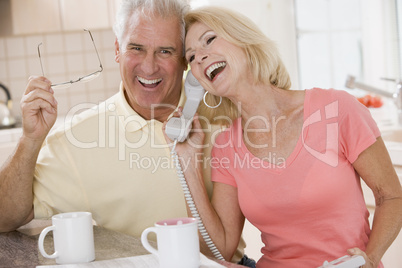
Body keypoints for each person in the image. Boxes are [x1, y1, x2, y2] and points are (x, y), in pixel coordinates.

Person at [0, 0, 251, 264]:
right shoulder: (77, 138)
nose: (149, 66)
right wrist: (30, 140)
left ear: (183, 60)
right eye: (136, 48)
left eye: (165, 51)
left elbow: (224, 249)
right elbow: (4, 216)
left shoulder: (225, 113)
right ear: (118, 49)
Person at [167, 6, 402, 268]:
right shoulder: (226, 146)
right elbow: (219, 248)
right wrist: (188, 162)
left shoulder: (337, 109)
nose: (199, 58)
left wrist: (370, 258)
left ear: (243, 40)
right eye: (191, 58)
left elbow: (390, 196)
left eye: (209, 40)